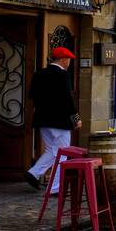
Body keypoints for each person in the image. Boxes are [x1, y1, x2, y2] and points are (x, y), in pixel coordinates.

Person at [26, 46, 80, 193]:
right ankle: (55, 188)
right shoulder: (63, 75)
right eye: (68, 59)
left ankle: (34, 173)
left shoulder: (39, 74)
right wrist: (76, 118)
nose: (69, 63)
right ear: (63, 60)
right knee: (62, 154)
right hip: (60, 121)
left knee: (52, 150)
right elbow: (68, 99)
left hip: (42, 119)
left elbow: (32, 97)